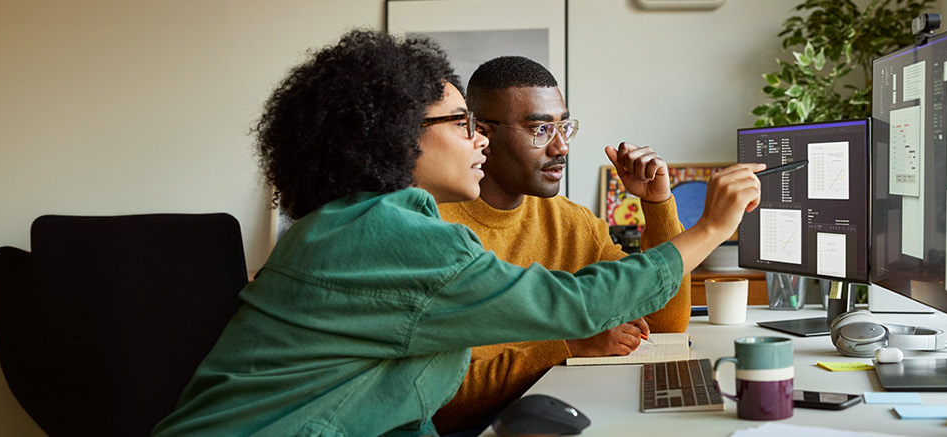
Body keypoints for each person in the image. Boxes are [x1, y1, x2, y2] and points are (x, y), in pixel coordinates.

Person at [151, 30, 761, 436]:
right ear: (396, 134)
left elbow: (398, 404)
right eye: (461, 123)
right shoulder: (381, 233)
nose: (479, 139)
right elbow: (575, 307)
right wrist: (712, 225)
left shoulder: (369, 222)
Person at [432, 56, 692, 431]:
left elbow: (665, 321)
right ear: (482, 136)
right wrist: (569, 346)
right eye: (540, 130)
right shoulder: (433, 230)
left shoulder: (570, 220)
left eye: (564, 128)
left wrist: (657, 206)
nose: (561, 148)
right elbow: (438, 400)